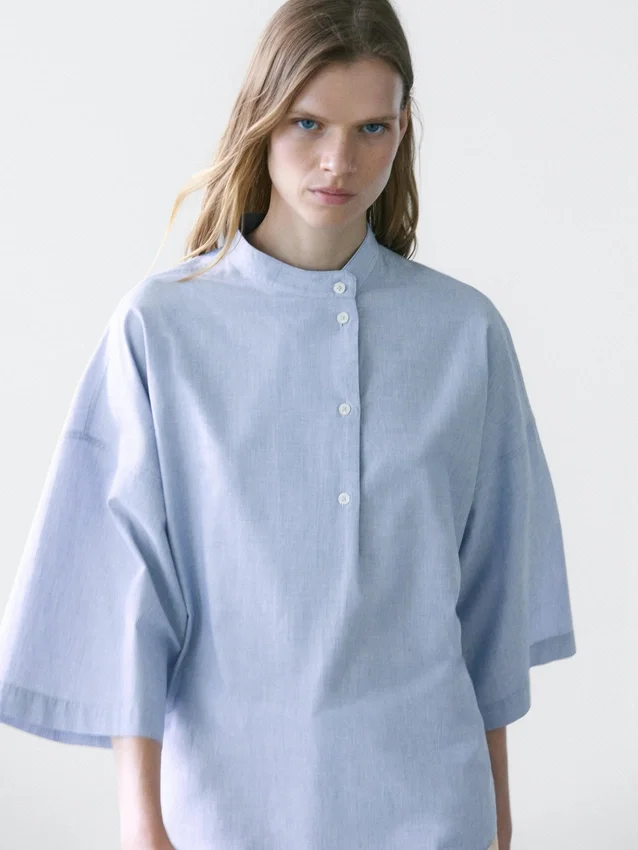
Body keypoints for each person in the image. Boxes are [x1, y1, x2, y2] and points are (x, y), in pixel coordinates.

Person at [0, 1, 576, 849]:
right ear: (262, 120)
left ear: (402, 130)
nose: (340, 160)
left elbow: (490, 609)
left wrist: (498, 826)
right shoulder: (161, 329)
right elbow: (127, 593)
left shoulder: (466, 334)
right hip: (222, 817)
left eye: (372, 128)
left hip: (434, 809)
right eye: (308, 123)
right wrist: (141, 822)